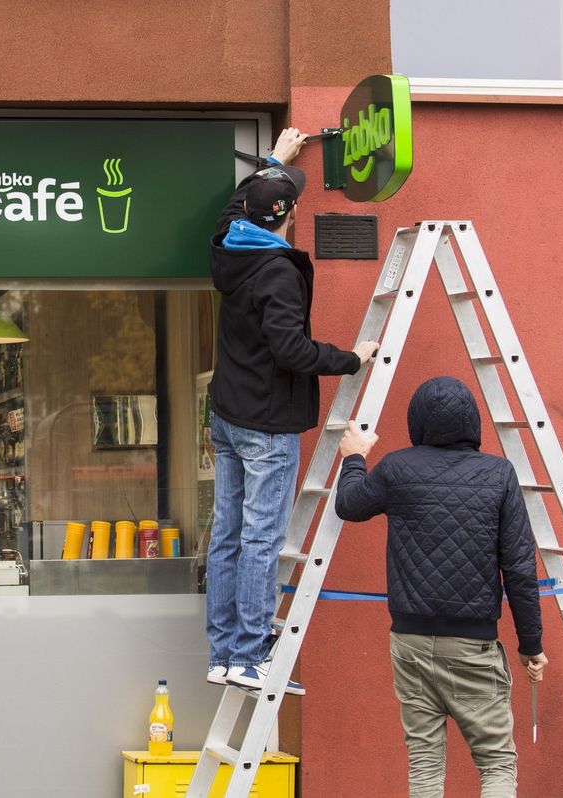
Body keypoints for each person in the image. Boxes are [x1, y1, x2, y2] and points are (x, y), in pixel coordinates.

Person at [206, 127, 379, 693]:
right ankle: (251, 654)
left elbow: (236, 207)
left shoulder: (231, 243)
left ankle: (225, 653)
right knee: (259, 537)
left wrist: (271, 160)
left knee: (229, 534)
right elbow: (292, 350)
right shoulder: (277, 271)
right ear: (288, 215)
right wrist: (352, 358)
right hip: (265, 423)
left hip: (229, 416)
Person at [335, 376, 548, 798]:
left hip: (409, 641)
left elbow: (349, 505)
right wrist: (531, 645)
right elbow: (520, 569)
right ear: (473, 420)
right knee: (496, 763)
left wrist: (355, 457)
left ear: (417, 421)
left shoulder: (397, 468)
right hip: (473, 646)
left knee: (425, 763)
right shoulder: (499, 475)